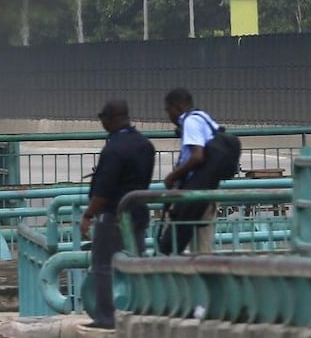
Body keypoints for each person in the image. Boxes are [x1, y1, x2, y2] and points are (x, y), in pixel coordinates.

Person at [80, 100, 155, 330]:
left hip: (112, 215)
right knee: (136, 262)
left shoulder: (113, 149)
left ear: (111, 118)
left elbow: (104, 190)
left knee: (103, 265)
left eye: (102, 118)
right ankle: (142, 312)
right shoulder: (145, 145)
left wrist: (88, 216)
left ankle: (106, 317)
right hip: (138, 211)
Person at [159, 87, 223, 255]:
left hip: (194, 191)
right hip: (209, 189)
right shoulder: (205, 118)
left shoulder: (190, 122)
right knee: (202, 246)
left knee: (172, 241)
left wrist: (173, 176)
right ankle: (201, 276)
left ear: (178, 107)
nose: (169, 116)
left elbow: (197, 156)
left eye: (168, 110)